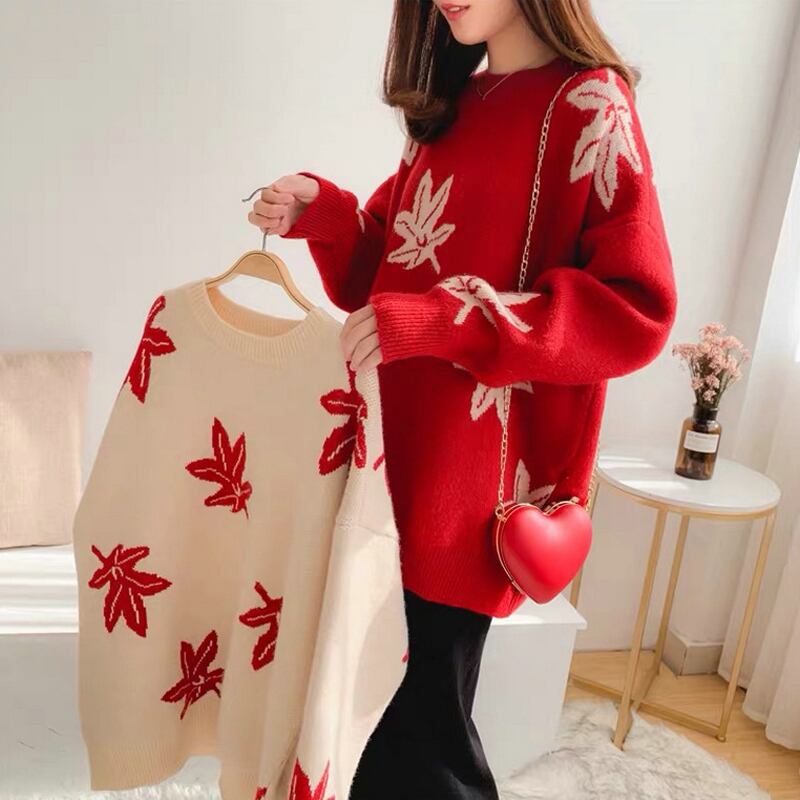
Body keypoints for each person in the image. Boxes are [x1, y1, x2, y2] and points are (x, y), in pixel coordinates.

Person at [247, 1, 678, 797]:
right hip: (382, 464)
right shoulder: (449, 108)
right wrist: (326, 215)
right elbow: (386, 273)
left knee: (423, 743)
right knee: (361, 725)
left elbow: (634, 310)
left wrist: (454, 320)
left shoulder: (589, 104)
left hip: (469, 486)